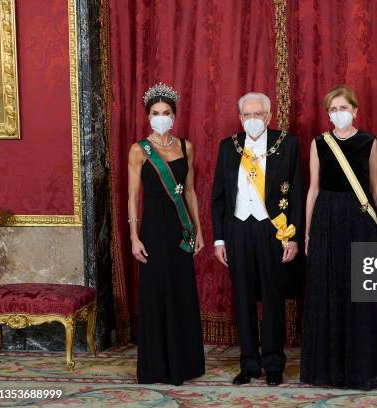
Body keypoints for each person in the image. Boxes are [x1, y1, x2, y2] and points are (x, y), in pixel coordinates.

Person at [300, 86, 377, 390]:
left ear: (354, 111)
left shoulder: (369, 142)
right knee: (329, 287)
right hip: (326, 217)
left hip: (360, 219)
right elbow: (313, 189)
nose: (338, 114)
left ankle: (362, 368)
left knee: (359, 292)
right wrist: (308, 231)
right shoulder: (319, 143)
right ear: (328, 114)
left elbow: (375, 189)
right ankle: (329, 369)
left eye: (343, 108)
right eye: (332, 110)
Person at [211, 92, 304, 386]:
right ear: (240, 118)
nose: (253, 120)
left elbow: (298, 194)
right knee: (243, 298)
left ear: (268, 116)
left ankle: (274, 363)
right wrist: (219, 240)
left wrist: (294, 237)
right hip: (238, 228)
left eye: (258, 115)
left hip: (272, 230)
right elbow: (219, 197)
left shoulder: (286, 144)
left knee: (274, 297)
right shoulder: (229, 147)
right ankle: (249, 364)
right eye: (247, 115)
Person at [128, 82, 205, 385]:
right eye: (156, 113)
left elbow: (190, 191)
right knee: (156, 291)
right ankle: (157, 365)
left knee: (181, 290)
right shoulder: (139, 150)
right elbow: (133, 197)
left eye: (167, 113)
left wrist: (198, 230)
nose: (162, 117)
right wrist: (134, 237)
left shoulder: (185, 146)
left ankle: (183, 363)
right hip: (153, 228)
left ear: (174, 115)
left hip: (180, 227)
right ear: (148, 117)